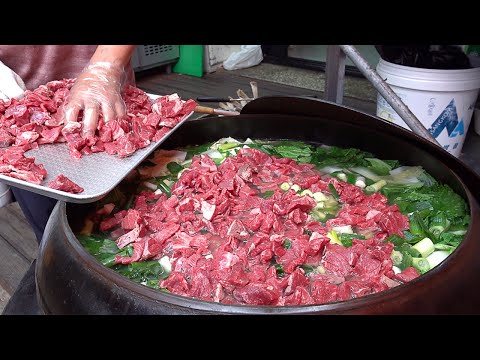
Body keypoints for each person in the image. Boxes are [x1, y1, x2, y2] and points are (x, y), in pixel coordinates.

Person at [0, 45, 137, 243]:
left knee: (127, 214)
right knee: (51, 231)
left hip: (108, 100)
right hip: (21, 112)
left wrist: (105, 66)